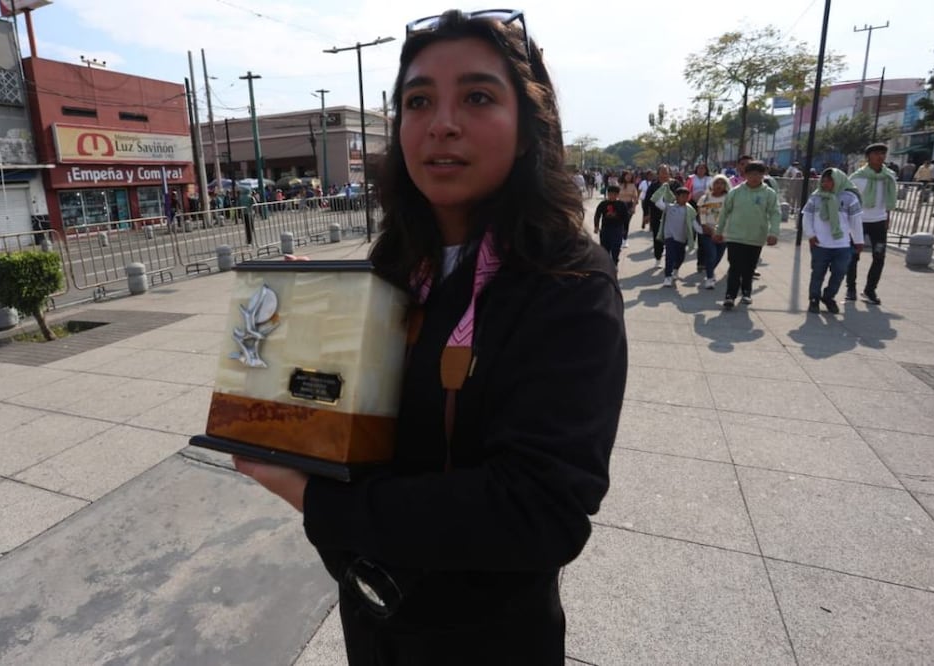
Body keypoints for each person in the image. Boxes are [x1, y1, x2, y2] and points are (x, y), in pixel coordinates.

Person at [231, 10, 627, 665]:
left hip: (488, 641)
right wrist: (301, 330)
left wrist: (310, 497)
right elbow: (361, 430)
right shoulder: (394, 269)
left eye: (476, 96)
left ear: (530, 130)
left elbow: (539, 511)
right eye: (418, 101)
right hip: (376, 617)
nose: (441, 122)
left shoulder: (566, 282)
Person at [714, 161, 780, 310]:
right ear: (745, 175)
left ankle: (746, 292)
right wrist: (719, 231)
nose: (755, 177)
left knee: (749, 267)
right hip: (735, 236)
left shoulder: (769, 194)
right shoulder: (735, 192)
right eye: (751, 174)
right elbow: (724, 212)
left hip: (756, 237)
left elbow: (775, 213)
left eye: (758, 174)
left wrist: (774, 233)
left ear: (763, 175)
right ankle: (730, 296)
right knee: (735, 266)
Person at [802, 168, 864, 314]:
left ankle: (829, 296)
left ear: (839, 180)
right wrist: (810, 235)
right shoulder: (816, 197)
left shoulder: (849, 198)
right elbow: (807, 217)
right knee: (817, 273)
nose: (825, 183)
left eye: (830, 180)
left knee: (840, 272)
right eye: (823, 180)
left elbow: (855, 221)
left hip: (842, 245)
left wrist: (858, 241)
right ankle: (814, 298)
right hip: (820, 244)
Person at [846, 143, 897, 304]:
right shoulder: (857, 178)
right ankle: (851, 289)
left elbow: (889, 198)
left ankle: (870, 290)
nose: (880, 157)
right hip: (859, 222)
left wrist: (887, 217)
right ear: (868, 157)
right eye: (876, 153)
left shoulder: (888, 176)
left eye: (883, 153)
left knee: (879, 256)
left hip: (879, 222)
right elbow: (848, 201)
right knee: (853, 256)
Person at [653, 186, 697, 287]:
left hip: (682, 238)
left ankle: (675, 269)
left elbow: (694, 223)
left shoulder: (689, 210)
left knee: (680, 257)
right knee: (670, 256)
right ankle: (667, 277)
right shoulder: (669, 207)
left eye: (687, 196)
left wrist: (702, 231)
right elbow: (658, 202)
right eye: (682, 196)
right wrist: (663, 189)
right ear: (676, 197)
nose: (685, 198)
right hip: (670, 237)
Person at [696, 174, 730, 289]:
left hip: (724, 233)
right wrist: (705, 225)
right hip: (708, 232)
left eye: (722, 183)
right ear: (712, 184)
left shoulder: (729, 198)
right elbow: (701, 213)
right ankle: (710, 278)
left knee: (717, 257)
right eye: (717, 183)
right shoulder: (705, 198)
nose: (719, 185)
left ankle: (710, 270)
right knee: (711, 255)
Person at [642, 165, 675, 269]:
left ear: (669, 173)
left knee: (672, 239)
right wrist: (646, 214)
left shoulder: (675, 184)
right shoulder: (654, 185)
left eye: (666, 171)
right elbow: (647, 200)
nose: (664, 174)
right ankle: (658, 258)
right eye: (662, 172)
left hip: (673, 215)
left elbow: (682, 197)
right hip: (657, 216)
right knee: (658, 237)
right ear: (658, 173)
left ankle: (671, 261)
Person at [594, 184, 629, 264]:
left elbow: (626, 218)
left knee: (616, 247)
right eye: (609, 194)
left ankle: (615, 262)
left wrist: (625, 229)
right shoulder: (603, 204)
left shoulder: (621, 205)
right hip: (605, 229)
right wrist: (596, 226)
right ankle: (606, 264)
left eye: (614, 194)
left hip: (617, 229)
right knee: (605, 248)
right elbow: (597, 215)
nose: (611, 196)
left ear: (617, 195)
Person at [618, 170, 640, 248]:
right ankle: (619, 238)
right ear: (623, 176)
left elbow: (636, 198)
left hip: (629, 205)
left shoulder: (633, 186)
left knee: (626, 222)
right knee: (620, 222)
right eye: (627, 175)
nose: (628, 177)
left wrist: (633, 208)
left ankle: (625, 239)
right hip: (620, 205)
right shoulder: (619, 185)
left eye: (630, 176)